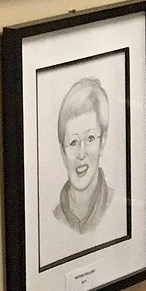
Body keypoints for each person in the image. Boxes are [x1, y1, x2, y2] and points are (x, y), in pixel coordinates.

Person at [53, 78, 114, 235]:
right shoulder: (53, 219)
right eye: (73, 142)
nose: (81, 153)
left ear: (102, 143)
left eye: (90, 138)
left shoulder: (117, 205)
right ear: (62, 153)